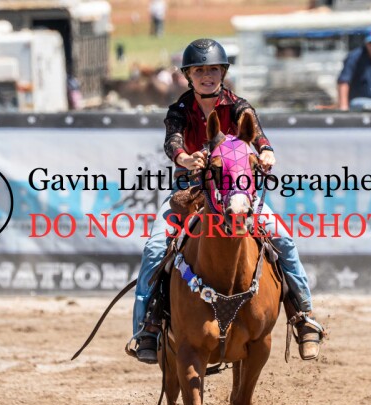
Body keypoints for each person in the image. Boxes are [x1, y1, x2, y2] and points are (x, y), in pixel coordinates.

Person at [130, 38, 324, 365]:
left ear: (223, 72)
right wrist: (185, 158)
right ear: (188, 76)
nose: (207, 76)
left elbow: (257, 134)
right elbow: (172, 142)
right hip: (190, 191)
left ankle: (303, 316)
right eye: (199, 70)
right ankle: (146, 328)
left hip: (238, 192)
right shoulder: (179, 110)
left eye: (213, 70)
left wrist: (265, 151)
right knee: (154, 248)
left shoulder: (238, 106)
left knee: (283, 240)